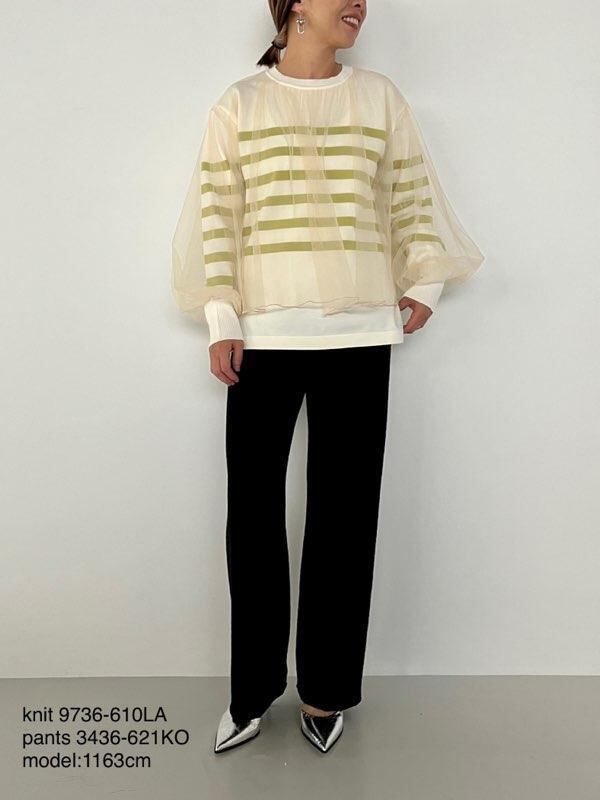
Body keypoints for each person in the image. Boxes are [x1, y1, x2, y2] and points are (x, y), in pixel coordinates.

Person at [172, 0, 484, 755]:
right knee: (253, 517)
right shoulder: (241, 104)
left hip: (360, 333)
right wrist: (222, 318)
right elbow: (218, 212)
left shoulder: (379, 98)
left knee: (346, 517)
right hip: (263, 337)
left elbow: (410, 193)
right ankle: (251, 693)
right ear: (293, 7)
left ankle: (325, 691)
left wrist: (426, 283)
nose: (358, 4)